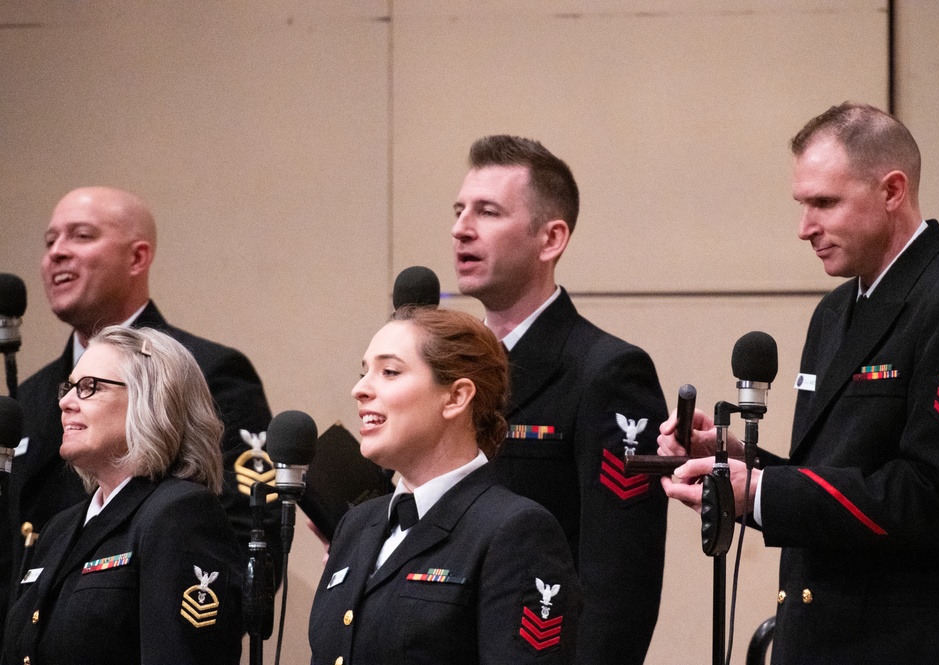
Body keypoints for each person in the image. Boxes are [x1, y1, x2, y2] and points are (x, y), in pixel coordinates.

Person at [660, 103, 939, 664]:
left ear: (892, 190)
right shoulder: (836, 310)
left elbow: (934, 498)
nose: (804, 228)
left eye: (824, 203)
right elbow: (833, 478)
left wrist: (762, 492)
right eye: (802, 205)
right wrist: (734, 461)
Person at [2, 186, 277, 630]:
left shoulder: (208, 371)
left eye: (81, 236)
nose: (57, 253)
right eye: (50, 241)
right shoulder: (30, 399)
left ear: (137, 258)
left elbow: (249, 537)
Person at [451, 135, 668, 663]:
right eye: (459, 210)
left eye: (488, 211)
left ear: (550, 239)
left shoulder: (608, 374)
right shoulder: (446, 369)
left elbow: (619, 584)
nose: (461, 228)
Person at [309, 306, 581, 664]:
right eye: (364, 373)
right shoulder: (356, 525)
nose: (359, 389)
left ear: (456, 397)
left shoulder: (514, 530)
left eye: (389, 371)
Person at [3, 326, 244, 665]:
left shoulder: (179, 514)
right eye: (68, 387)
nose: (65, 402)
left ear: (152, 400)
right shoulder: (60, 527)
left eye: (89, 387)